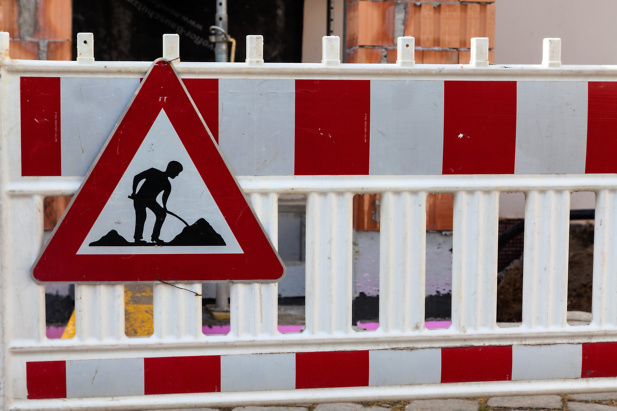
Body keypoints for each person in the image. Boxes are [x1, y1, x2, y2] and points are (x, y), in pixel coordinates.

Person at [129, 161, 183, 244]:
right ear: (171, 169)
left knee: (162, 214)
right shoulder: (153, 172)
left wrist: (164, 207)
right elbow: (137, 177)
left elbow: (164, 198)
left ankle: (155, 237)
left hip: (151, 201)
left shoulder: (167, 185)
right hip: (140, 198)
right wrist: (134, 192)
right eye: (177, 172)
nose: (177, 175)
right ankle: (137, 238)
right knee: (141, 216)